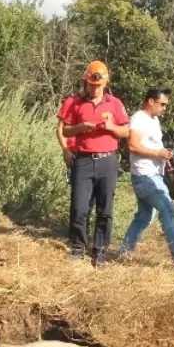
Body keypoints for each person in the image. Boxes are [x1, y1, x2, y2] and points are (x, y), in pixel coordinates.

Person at [56, 61, 130, 267]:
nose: (94, 88)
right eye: (91, 84)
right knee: (79, 207)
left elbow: (125, 132)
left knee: (105, 208)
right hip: (84, 160)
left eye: (98, 85)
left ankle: (100, 250)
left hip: (107, 160)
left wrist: (111, 127)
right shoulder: (76, 102)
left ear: (106, 82)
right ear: (86, 82)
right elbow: (65, 130)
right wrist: (81, 127)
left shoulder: (115, 103)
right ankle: (78, 246)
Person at [113, 86, 174, 264]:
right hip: (145, 176)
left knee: (144, 216)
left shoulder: (153, 120)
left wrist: (164, 156)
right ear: (150, 101)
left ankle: (124, 252)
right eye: (162, 104)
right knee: (168, 209)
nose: (164, 108)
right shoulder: (139, 118)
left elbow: (149, 146)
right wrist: (158, 154)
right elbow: (132, 145)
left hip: (152, 174)